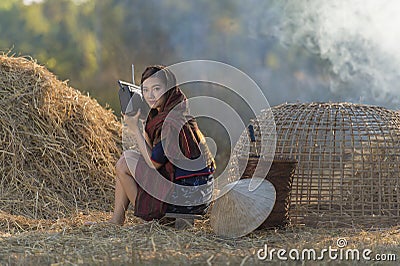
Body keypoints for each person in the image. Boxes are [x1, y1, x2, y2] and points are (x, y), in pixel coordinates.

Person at [109, 65, 215, 225]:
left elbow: (153, 163)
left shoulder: (171, 123)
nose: (150, 95)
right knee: (129, 158)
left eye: (156, 89)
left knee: (125, 163)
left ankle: (152, 221)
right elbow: (154, 151)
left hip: (186, 199)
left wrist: (135, 130)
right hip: (194, 194)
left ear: (169, 89)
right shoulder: (176, 112)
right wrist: (142, 124)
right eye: (145, 90)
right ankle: (117, 220)